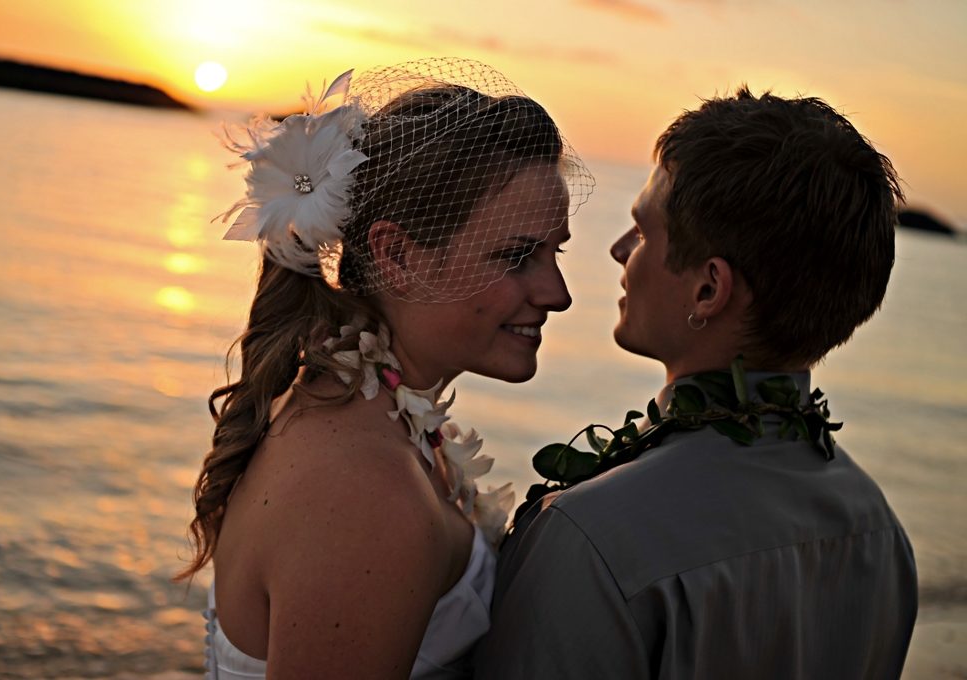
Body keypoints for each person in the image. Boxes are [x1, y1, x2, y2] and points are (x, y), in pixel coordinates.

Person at [476, 87, 917, 679]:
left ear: (708, 289)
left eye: (641, 232)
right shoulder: (879, 531)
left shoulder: (593, 539)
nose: (618, 250)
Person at [176, 58, 594, 679]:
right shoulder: (363, 494)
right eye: (516, 256)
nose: (557, 293)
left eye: (554, 252)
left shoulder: (361, 408)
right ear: (396, 255)